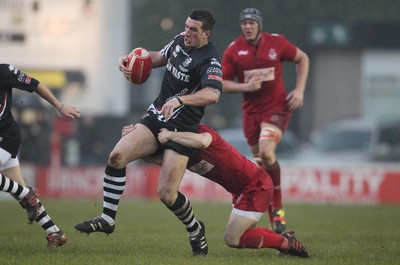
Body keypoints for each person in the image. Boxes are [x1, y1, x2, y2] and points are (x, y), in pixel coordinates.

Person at [74, 10, 223, 256]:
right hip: (156, 118)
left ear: (207, 34)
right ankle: (107, 219)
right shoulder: (178, 41)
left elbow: (213, 94)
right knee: (117, 156)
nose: (187, 32)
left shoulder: (209, 60)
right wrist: (131, 58)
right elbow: (155, 58)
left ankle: (196, 229)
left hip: (182, 129)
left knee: (166, 194)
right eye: (186, 27)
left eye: (193, 30)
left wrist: (181, 101)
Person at [135, 124, 311, 258]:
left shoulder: (199, 132)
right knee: (245, 234)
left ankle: (285, 243)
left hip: (254, 185)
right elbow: (161, 161)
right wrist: (135, 144)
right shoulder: (181, 150)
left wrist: (170, 135)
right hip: (241, 189)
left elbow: (203, 141)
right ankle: (283, 239)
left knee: (232, 239)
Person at [221, 8, 310, 234]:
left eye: (251, 23)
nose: (247, 26)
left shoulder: (276, 43)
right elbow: (222, 83)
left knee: (266, 151)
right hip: (250, 114)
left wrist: (299, 91)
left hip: (276, 108)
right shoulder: (234, 50)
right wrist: (244, 87)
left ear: (259, 25)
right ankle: (272, 218)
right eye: (244, 23)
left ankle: (277, 208)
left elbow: (302, 58)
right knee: (261, 167)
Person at [0, 63, 81, 246]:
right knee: (21, 194)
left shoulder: (3, 72)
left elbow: (35, 84)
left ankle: (25, 192)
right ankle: (55, 233)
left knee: (21, 192)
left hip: (5, 137)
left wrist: (60, 106)